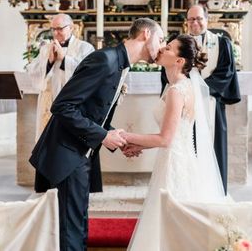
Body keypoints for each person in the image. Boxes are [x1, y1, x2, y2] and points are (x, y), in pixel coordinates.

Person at [29, 18, 165, 251]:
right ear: (145, 34)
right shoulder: (105, 59)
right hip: (67, 153)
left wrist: (117, 138)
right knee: (70, 232)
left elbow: (92, 113)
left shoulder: (121, 64)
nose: (162, 46)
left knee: (78, 225)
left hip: (81, 152)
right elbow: (63, 106)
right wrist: (103, 136)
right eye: (161, 39)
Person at [122, 35, 227, 251]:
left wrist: (122, 136)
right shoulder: (180, 86)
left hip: (175, 164)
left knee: (170, 223)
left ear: (179, 61)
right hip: (178, 156)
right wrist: (140, 145)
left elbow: (165, 138)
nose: (161, 49)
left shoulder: (177, 90)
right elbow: (173, 135)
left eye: (168, 48)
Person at [186, 4, 241, 193]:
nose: (195, 22)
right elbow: (170, 70)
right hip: (187, 103)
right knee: (189, 146)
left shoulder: (221, 43)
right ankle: (191, 189)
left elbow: (226, 72)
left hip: (212, 103)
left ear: (207, 19)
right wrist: (189, 89)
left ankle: (215, 191)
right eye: (191, 19)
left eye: (199, 18)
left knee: (213, 147)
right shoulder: (178, 44)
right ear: (187, 22)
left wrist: (202, 88)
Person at [27, 14, 95, 139]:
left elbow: (88, 74)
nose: (56, 32)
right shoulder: (46, 49)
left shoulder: (85, 48)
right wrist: (49, 62)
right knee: (47, 139)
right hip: (48, 101)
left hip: (72, 102)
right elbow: (33, 71)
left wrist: (64, 59)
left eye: (60, 28)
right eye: (53, 29)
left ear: (71, 28)